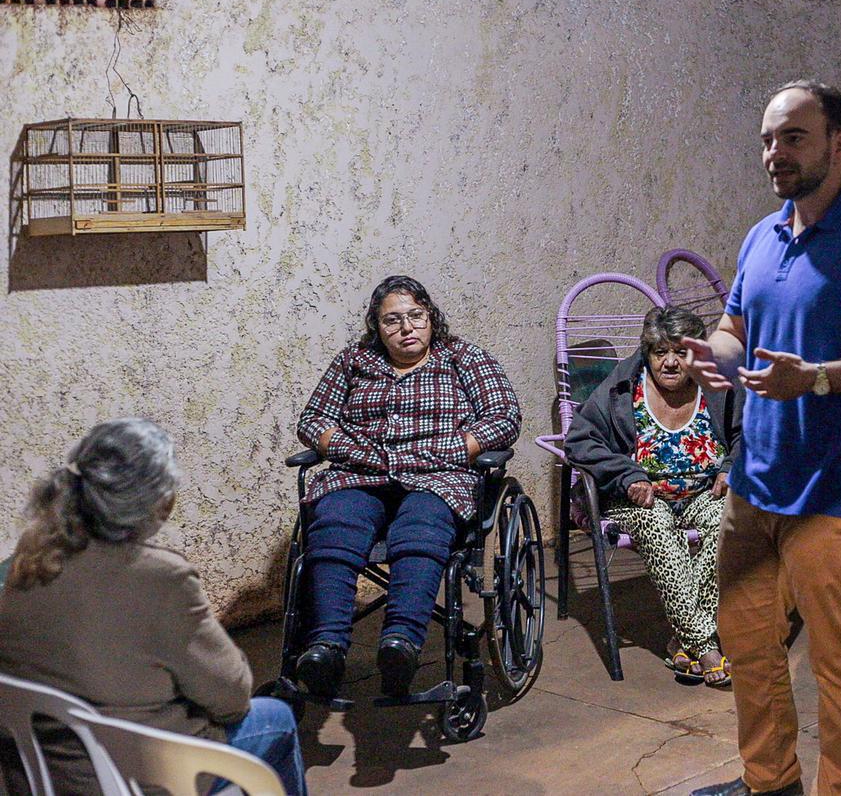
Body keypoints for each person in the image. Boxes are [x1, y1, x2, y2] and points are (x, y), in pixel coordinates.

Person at [685, 81, 841, 796]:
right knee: (750, 654)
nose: (775, 153)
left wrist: (819, 379)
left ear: (839, 144)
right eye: (768, 138)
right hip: (756, 484)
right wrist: (720, 356)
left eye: (793, 137)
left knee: (839, 672)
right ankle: (770, 785)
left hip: (839, 497)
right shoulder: (762, 236)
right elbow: (734, 326)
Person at [0, 418, 307, 795]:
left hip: (40, 776)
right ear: (159, 501)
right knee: (277, 717)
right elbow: (232, 699)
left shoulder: (24, 563)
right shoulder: (162, 577)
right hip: (137, 779)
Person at [294, 275, 520, 698]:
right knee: (334, 522)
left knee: (421, 524)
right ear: (376, 327)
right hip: (362, 471)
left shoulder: (464, 358)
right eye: (392, 320)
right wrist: (349, 447)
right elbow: (313, 420)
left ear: (431, 317)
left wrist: (453, 448)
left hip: (438, 476)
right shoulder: (354, 361)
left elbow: (505, 417)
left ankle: (401, 642)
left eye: (415, 316)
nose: (406, 328)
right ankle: (326, 646)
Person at [565, 306, 742, 686]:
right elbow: (579, 439)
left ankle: (684, 639)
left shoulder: (718, 383)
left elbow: (753, 433)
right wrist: (627, 475)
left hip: (703, 490)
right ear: (648, 353)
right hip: (638, 497)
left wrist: (731, 467)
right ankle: (707, 646)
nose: (671, 362)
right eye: (661, 352)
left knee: (729, 518)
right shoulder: (622, 387)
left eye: (681, 352)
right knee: (657, 524)